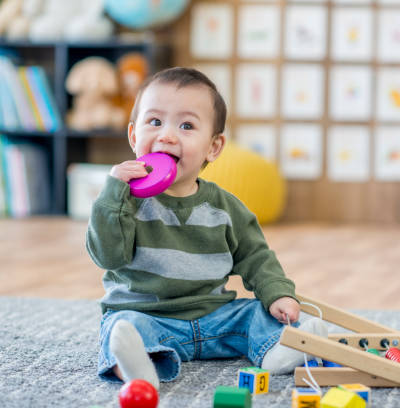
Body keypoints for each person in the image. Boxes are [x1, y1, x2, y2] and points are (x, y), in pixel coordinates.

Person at [86, 67, 327, 389]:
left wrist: (278, 294)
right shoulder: (122, 202)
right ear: (133, 136)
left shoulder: (225, 207)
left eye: (186, 126)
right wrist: (113, 193)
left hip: (215, 318)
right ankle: (137, 368)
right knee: (123, 326)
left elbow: (256, 257)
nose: (167, 135)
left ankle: (280, 349)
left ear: (213, 147)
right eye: (154, 122)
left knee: (257, 314)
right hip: (149, 315)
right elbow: (108, 256)